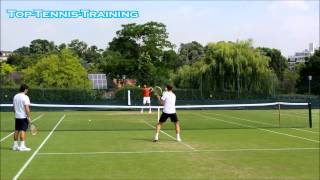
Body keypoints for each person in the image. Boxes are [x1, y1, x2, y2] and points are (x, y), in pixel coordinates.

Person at [12, 84, 32, 151]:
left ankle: (15, 145)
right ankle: (22, 146)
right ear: (25, 89)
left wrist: (16, 114)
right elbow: (27, 108)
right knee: (23, 130)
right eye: (27, 90)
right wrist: (29, 117)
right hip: (23, 117)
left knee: (17, 130)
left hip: (17, 116)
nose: (27, 91)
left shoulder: (15, 96)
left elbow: (14, 107)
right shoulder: (25, 97)